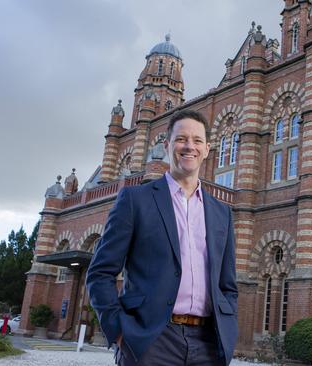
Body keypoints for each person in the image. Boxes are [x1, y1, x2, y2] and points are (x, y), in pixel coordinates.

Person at [86, 110, 238, 365]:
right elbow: (100, 272)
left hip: (207, 345)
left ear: (207, 149)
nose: (189, 146)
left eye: (197, 140)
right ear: (168, 145)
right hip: (151, 341)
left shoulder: (222, 212)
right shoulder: (135, 200)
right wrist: (122, 332)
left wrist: (228, 330)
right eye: (182, 139)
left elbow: (228, 285)